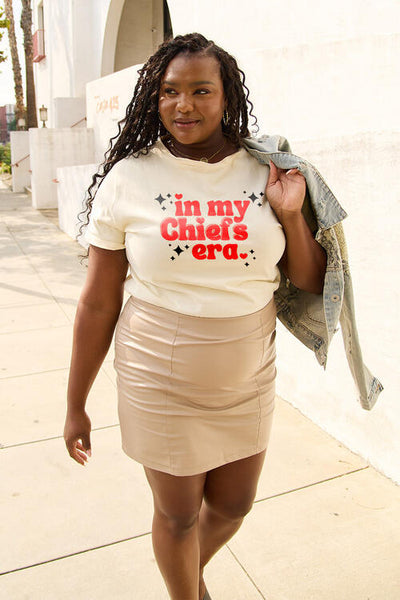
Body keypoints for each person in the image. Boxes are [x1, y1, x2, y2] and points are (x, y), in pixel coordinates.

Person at [64, 33, 327, 600]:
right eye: (170, 91)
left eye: (201, 90)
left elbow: (310, 280)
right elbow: (98, 301)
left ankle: (183, 576)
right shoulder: (130, 177)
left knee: (233, 506)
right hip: (158, 372)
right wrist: (75, 402)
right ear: (154, 98)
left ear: (227, 95)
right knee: (178, 516)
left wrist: (290, 214)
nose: (183, 105)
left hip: (248, 372)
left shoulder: (267, 169)